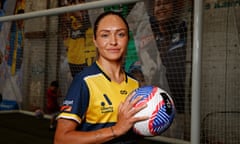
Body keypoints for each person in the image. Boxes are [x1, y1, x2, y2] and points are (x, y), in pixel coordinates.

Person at [54, 11, 148, 144]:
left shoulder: (134, 84)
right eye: (105, 35)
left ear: (128, 38)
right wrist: (116, 130)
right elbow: (61, 139)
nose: (113, 42)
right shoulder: (84, 81)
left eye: (120, 34)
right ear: (95, 41)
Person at [150, 0, 187, 113]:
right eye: (158, 5)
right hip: (156, 104)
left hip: (182, 104)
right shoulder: (150, 37)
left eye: (166, 3)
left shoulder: (185, 32)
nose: (161, 7)